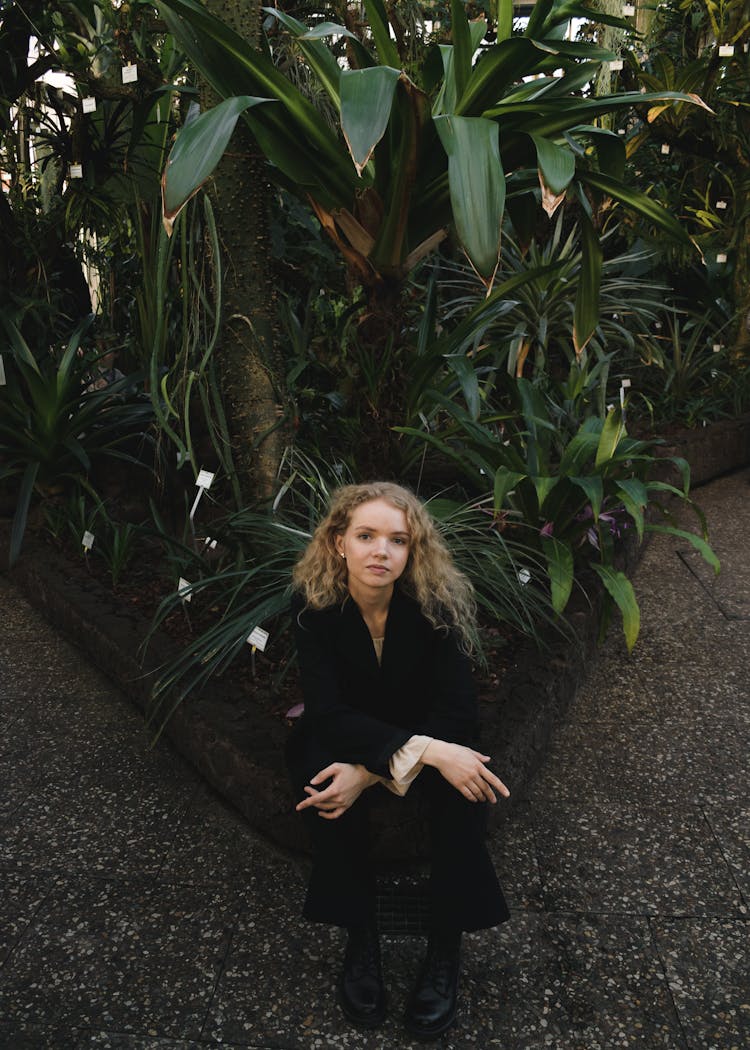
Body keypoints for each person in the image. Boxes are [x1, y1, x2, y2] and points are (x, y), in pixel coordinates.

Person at [286, 482, 511, 1041]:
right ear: (339, 542)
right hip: (350, 733)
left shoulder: (437, 606)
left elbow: (457, 716)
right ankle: (361, 938)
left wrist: (377, 770)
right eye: (365, 536)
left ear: (414, 551)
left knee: (466, 788)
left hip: (423, 729)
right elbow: (329, 714)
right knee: (326, 786)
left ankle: (444, 949)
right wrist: (391, 762)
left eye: (397, 540)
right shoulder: (313, 606)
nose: (380, 551)